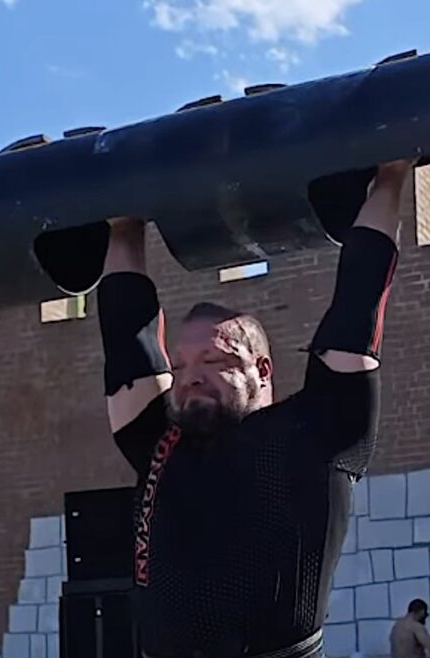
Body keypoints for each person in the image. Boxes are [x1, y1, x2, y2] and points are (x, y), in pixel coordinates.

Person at [96, 159, 413, 658]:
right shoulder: (161, 443)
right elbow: (125, 338)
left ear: (262, 369)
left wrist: (392, 174)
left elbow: (359, 301)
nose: (190, 376)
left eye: (213, 360)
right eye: (180, 365)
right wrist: (121, 224)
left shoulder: (316, 434)